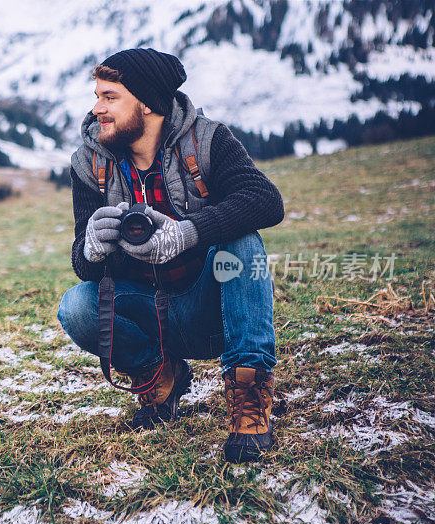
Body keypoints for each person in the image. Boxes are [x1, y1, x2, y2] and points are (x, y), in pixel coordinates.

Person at [57, 48, 284, 463]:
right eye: (97, 96)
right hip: (148, 313)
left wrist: (187, 234)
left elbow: (266, 201)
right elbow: (82, 265)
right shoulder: (90, 163)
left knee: (242, 241)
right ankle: (162, 377)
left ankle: (249, 401)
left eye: (110, 97)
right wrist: (90, 246)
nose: (97, 110)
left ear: (146, 102)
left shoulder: (208, 140)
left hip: (210, 308)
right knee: (76, 307)